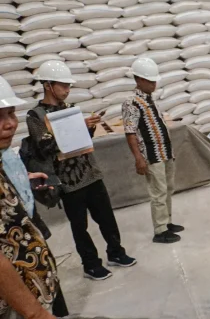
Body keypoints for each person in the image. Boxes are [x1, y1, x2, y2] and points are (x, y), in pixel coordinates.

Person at [27, 60, 136, 281]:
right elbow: (45, 146)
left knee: (106, 218)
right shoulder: (35, 116)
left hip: (90, 173)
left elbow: (83, 141)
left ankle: (116, 252)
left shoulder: (70, 109)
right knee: (80, 227)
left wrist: (89, 127)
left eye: (69, 86)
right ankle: (90, 264)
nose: (67, 90)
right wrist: (77, 126)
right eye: (63, 85)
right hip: (68, 180)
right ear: (48, 85)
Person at [0, 76, 63, 319]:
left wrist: (23, 179)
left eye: (10, 114)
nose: (9, 124)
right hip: (14, 310)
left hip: (26, 298)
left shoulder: (4, 158)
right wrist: (33, 313)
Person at [122, 58, 184, 244]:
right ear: (138, 79)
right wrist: (138, 158)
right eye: (149, 81)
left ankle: (168, 222)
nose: (153, 84)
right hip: (151, 155)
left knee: (168, 188)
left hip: (164, 151)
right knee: (158, 192)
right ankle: (160, 230)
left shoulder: (149, 100)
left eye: (154, 80)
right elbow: (130, 131)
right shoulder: (131, 102)